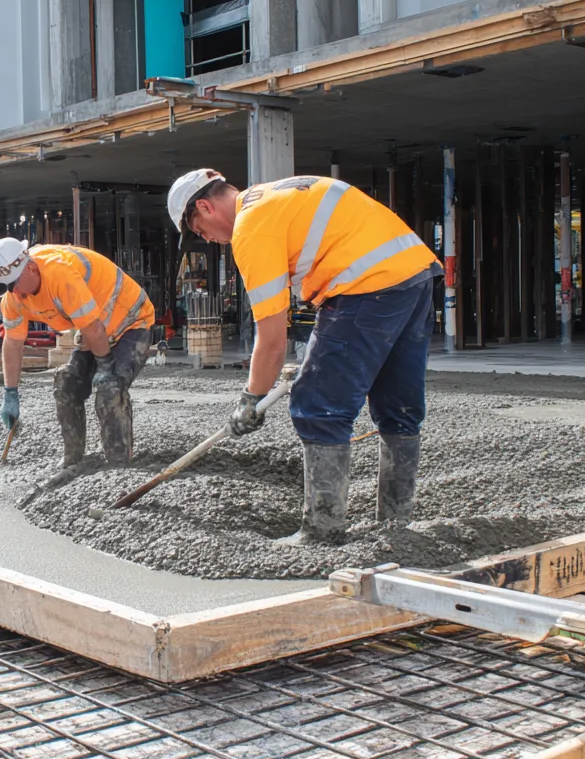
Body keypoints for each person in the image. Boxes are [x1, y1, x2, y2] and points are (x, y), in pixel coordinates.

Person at [167, 169, 441, 545]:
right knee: (399, 405)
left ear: (205, 206)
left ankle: (322, 532)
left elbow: (273, 340)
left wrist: (251, 400)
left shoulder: (252, 227)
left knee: (318, 405)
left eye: (200, 231)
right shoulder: (280, 195)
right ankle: (395, 525)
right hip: (415, 275)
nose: (209, 241)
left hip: (366, 286)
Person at [0, 238, 154, 466]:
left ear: (31, 267)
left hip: (131, 321)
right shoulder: (14, 298)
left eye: (14, 282)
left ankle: (119, 463)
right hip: (94, 328)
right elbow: (13, 342)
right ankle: (73, 458)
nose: (14, 290)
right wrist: (10, 393)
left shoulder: (60, 274)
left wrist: (105, 367)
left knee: (110, 387)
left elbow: (93, 328)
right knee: (66, 384)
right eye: (7, 286)